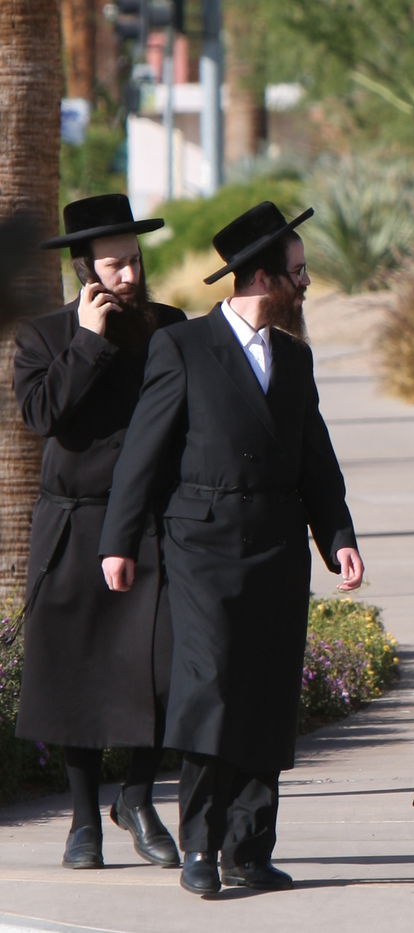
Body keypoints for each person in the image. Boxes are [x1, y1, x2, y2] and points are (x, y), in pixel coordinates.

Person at [97, 201, 364, 897]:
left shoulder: (297, 360)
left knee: (267, 696)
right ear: (260, 276)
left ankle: (251, 848)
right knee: (212, 690)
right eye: (297, 273)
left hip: (278, 549)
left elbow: (316, 459)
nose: (305, 284)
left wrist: (338, 537)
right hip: (201, 547)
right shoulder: (182, 348)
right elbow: (143, 456)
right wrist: (119, 541)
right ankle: (200, 846)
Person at [11, 194, 185, 870]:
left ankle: (137, 797)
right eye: (114, 266)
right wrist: (86, 340)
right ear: (84, 269)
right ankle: (84, 819)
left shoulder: (169, 327)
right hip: (74, 527)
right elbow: (43, 415)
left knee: (160, 666)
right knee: (75, 676)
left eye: (134, 262)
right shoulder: (44, 337)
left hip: (150, 522)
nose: (130, 277)